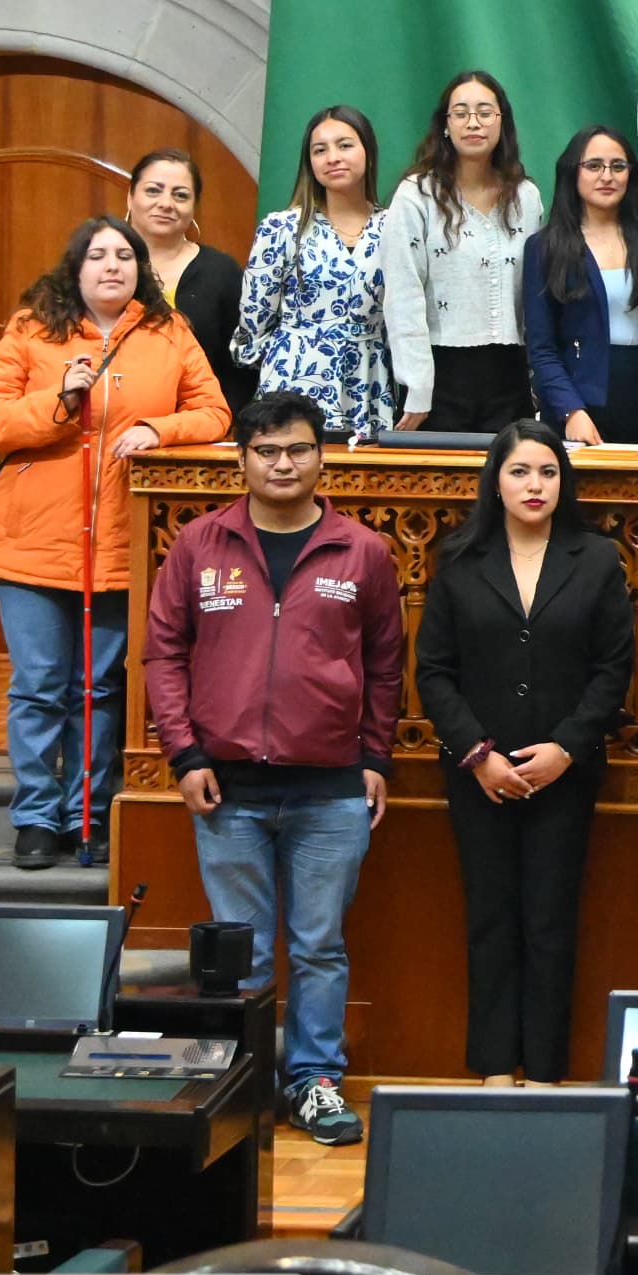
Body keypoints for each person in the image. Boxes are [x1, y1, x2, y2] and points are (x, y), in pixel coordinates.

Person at [140, 391, 398, 1145]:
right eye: (267, 451)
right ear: (243, 459)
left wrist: (375, 755)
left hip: (331, 790)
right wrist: (183, 753)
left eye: (298, 450)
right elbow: (162, 653)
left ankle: (314, 1081)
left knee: (319, 947)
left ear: (321, 457)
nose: (283, 464)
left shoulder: (364, 551)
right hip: (226, 789)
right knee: (241, 950)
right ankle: (246, 1086)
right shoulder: (199, 544)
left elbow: (386, 663)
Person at [0, 215, 231, 870]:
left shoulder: (169, 331)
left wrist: (159, 429)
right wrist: (59, 402)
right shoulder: (32, 328)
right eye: (97, 255)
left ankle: (85, 810)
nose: (111, 266)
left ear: (140, 268)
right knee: (39, 685)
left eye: (123, 255)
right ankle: (36, 815)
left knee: (98, 688)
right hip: (31, 540)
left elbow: (214, 412)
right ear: (75, 268)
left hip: (121, 542)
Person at [415, 418, 629, 1085]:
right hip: (479, 773)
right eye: (519, 471)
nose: (535, 485)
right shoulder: (459, 558)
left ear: (564, 482)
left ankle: (543, 1071)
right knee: (490, 920)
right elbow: (434, 672)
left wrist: (567, 747)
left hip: (565, 773)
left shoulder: (595, 558)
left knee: (550, 923)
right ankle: (492, 1069)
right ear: (495, 482)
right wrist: (478, 754)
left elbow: (613, 670)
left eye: (547, 472)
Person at [383, 69, 547, 432]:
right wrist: (417, 386)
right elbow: (403, 293)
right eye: (461, 113)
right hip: (440, 375)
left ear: (502, 121)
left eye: (485, 112)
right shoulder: (417, 195)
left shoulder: (526, 197)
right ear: (445, 124)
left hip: (511, 374)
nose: (473, 122)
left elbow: (536, 294)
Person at [232, 105, 391, 437]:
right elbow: (254, 321)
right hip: (295, 380)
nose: (333, 157)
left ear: (368, 152)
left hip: (369, 382)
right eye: (320, 150)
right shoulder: (283, 228)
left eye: (344, 145)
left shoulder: (394, 227)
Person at [523, 123, 638, 445]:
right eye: (594, 166)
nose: (607, 176)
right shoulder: (544, 247)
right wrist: (570, 410)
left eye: (618, 166)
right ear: (573, 171)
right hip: (577, 404)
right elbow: (541, 348)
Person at [128, 145, 249, 428]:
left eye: (180, 195)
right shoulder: (98, 264)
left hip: (198, 432)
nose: (166, 203)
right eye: (153, 190)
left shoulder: (221, 271)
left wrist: (220, 422)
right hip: (109, 429)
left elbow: (242, 364)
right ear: (130, 196)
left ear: (194, 207)